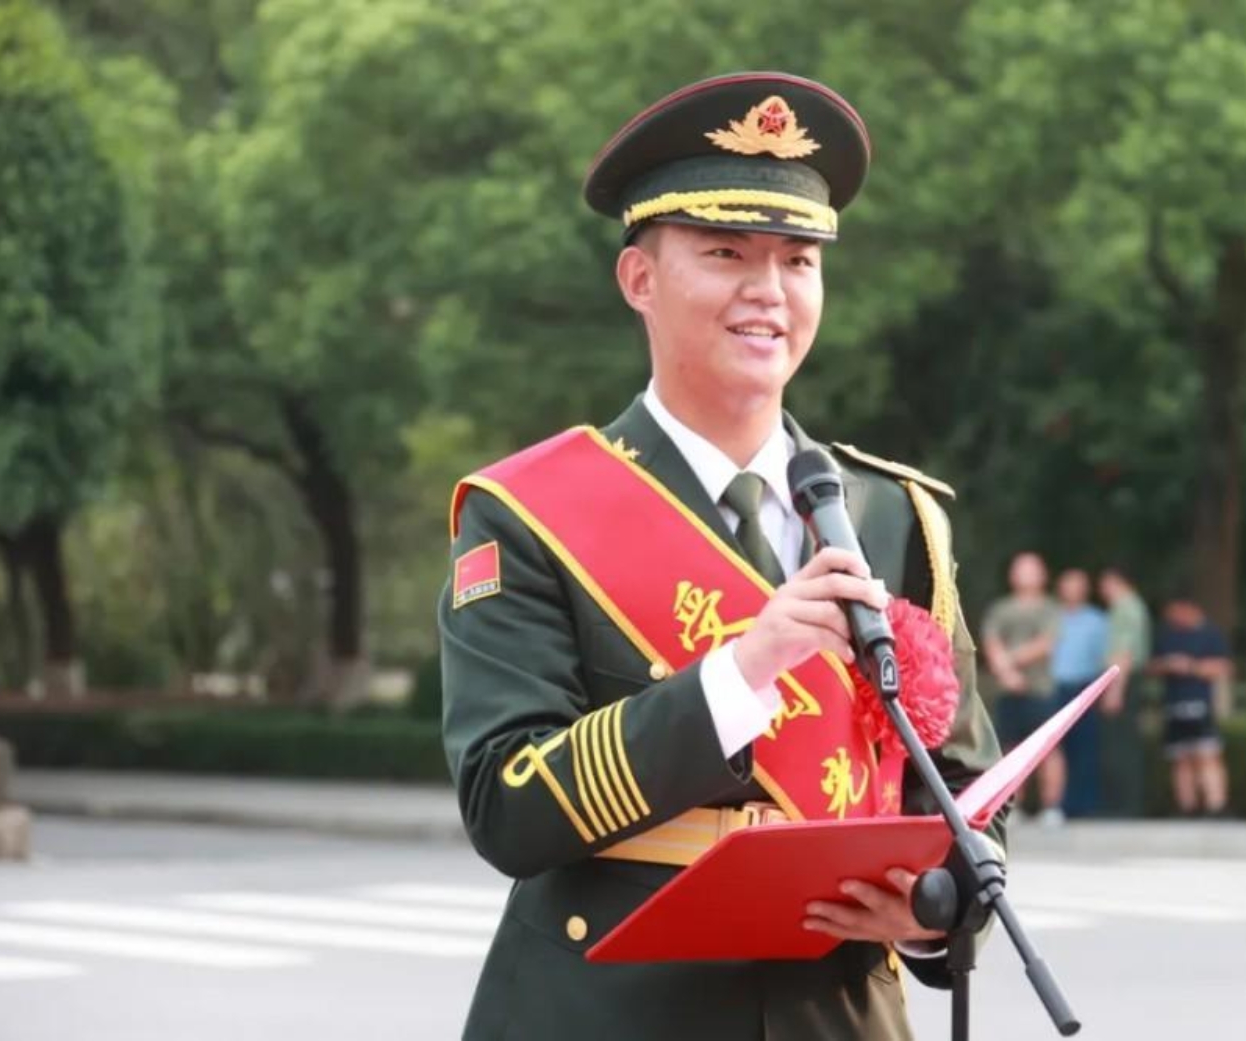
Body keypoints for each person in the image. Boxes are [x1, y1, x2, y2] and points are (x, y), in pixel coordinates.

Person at [437, 73, 1002, 1041]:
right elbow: (505, 805)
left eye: (798, 260)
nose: (768, 291)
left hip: (837, 1015)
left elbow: (961, 795)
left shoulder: (891, 514)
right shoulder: (527, 514)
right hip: (610, 1013)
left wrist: (934, 908)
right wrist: (741, 673)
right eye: (725, 253)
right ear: (639, 280)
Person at [979, 552, 1066, 824]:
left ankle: (1052, 807)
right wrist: (1006, 673)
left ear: (1043, 575)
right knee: (1010, 750)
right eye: (1020, 568)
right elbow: (991, 641)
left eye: (1031, 569)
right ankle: (1012, 806)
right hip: (1008, 691)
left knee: (1049, 750)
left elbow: (1046, 643)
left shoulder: (1050, 609)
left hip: (1041, 691)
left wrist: (1009, 661)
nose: (1025, 574)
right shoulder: (1001, 609)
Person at [1150, 593, 1231, 817]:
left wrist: (1191, 667)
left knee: (1207, 754)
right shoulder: (1167, 635)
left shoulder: (1210, 634)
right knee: (1180, 757)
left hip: (1200, 704)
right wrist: (1167, 665)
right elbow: (1151, 665)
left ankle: (1216, 805)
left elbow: (1223, 667)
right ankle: (1186, 806)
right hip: (1174, 704)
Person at [1048, 569, 1108, 818]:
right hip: (1053, 688)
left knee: (1084, 748)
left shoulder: (1097, 621)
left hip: (1084, 687)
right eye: (1068, 585)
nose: (1072, 590)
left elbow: (1104, 657)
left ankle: (1084, 805)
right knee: (1055, 749)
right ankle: (1057, 805)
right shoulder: (1050, 616)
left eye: (1077, 585)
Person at [1097, 566, 1151, 817]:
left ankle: (1123, 805)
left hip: (1123, 680)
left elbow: (1124, 652)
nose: (1102, 590)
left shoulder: (1125, 608)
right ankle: (1125, 804)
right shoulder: (1132, 606)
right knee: (1122, 744)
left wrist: (1114, 690)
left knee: (1121, 746)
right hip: (1125, 679)